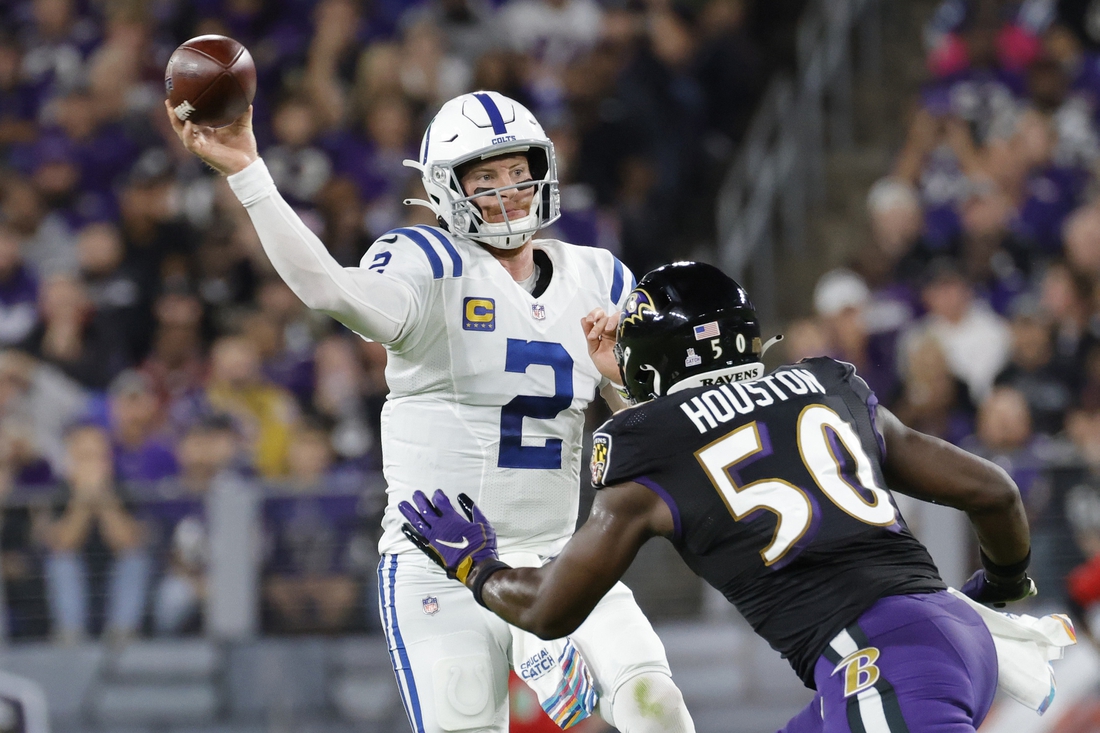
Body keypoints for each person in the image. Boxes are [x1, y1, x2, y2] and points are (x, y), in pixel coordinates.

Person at [165, 91, 693, 732]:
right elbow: (330, 288)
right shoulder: (427, 262)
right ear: (446, 189)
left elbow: (645, 429)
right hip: (439, 563)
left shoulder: (600, 275)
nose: (510, 189)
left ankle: (546, 644)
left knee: (655, 706)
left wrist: (623, 381)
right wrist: (249, 172)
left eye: (519, 170)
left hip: (559, 555)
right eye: (486, 176)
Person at [401, 262, 1077, 732]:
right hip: (949, 634)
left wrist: (478, 567)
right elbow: (994, 491)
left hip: (878, 659)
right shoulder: (828, 384)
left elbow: (549, 608)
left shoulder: (648, 442)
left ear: (649, 363)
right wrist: (1005, 581)